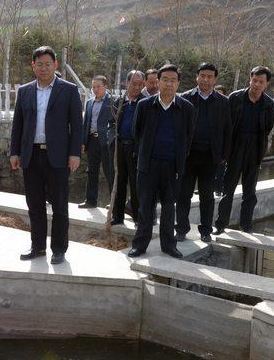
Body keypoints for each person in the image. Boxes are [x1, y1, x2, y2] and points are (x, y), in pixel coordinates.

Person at [10, 46, 83, 265]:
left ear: (55, 65)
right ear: (33, 66)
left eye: (48, 64)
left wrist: (75, 153)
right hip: (31, 155)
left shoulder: (69, 90)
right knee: (35, 204)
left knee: (59, 205)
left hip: (58, 156)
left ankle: (59, 249)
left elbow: (77, 125)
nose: (44, 68)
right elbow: (18, 124)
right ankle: (38, 246)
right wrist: (15, 152)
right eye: (39, 64)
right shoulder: (25, 91)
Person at [128, 64, 195, 258]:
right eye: (165, 80)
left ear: (178, 83)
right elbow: (136, 133)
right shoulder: (145, 105)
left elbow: (188, 137)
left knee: (168, 207)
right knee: (145, 207)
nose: (169, 84)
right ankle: (140, 245)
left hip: (172, 167)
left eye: (173, 80)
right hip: (148, 165)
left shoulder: (187, 108)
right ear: (158, 81)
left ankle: (168, 245)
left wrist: (179, 160)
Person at [214, 66, 274, 235]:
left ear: (266, 84)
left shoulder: (269, 104)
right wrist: (224, 151)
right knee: (228, 189)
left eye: (261, 82)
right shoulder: (235, 98)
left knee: (250, 191)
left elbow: (268, 128)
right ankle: (221, 224)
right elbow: (226, 125)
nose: (257, 84)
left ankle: (246, 225)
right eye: (254, 80)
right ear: (250, 79)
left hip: (255, 147)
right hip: (235, 145)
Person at [175, 62, 231, 243]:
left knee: (207, 196)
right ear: (197, 77)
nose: (206, 80)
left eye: (210, 77)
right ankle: (181, 229)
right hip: (188, 155)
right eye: (203, 76)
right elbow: (178, 128)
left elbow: (228, 130)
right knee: (183, 194)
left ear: (215, 79)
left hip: (210, 156)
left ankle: (206, 230)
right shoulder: (185, 98)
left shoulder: (223, 102)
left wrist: (224, 155)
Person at [109, 69, 144, 225]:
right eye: (134, 83)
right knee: (119, 181)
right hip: (119, 147)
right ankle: (118, 216)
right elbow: (111, 123)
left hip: (135, 149)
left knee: (136, 184)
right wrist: (112, 140)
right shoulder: (119, 101)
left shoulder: (145, 103)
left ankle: (137, 217)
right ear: (127, 82)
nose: (137, 87)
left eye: (140, 84)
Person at [79, 75, 115, 208]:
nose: (95, 89)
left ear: (105, 87)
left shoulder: (112, 102)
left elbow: (115, 123)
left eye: (98, 86)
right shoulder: (89, 102)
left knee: (109, 172)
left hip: (106, 142)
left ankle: (114, 203)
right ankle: (90, 201)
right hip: (92, 141)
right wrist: (83, 141)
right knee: (91, 171)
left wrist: (110, 138)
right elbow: (86, 123)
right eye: (93, 87)